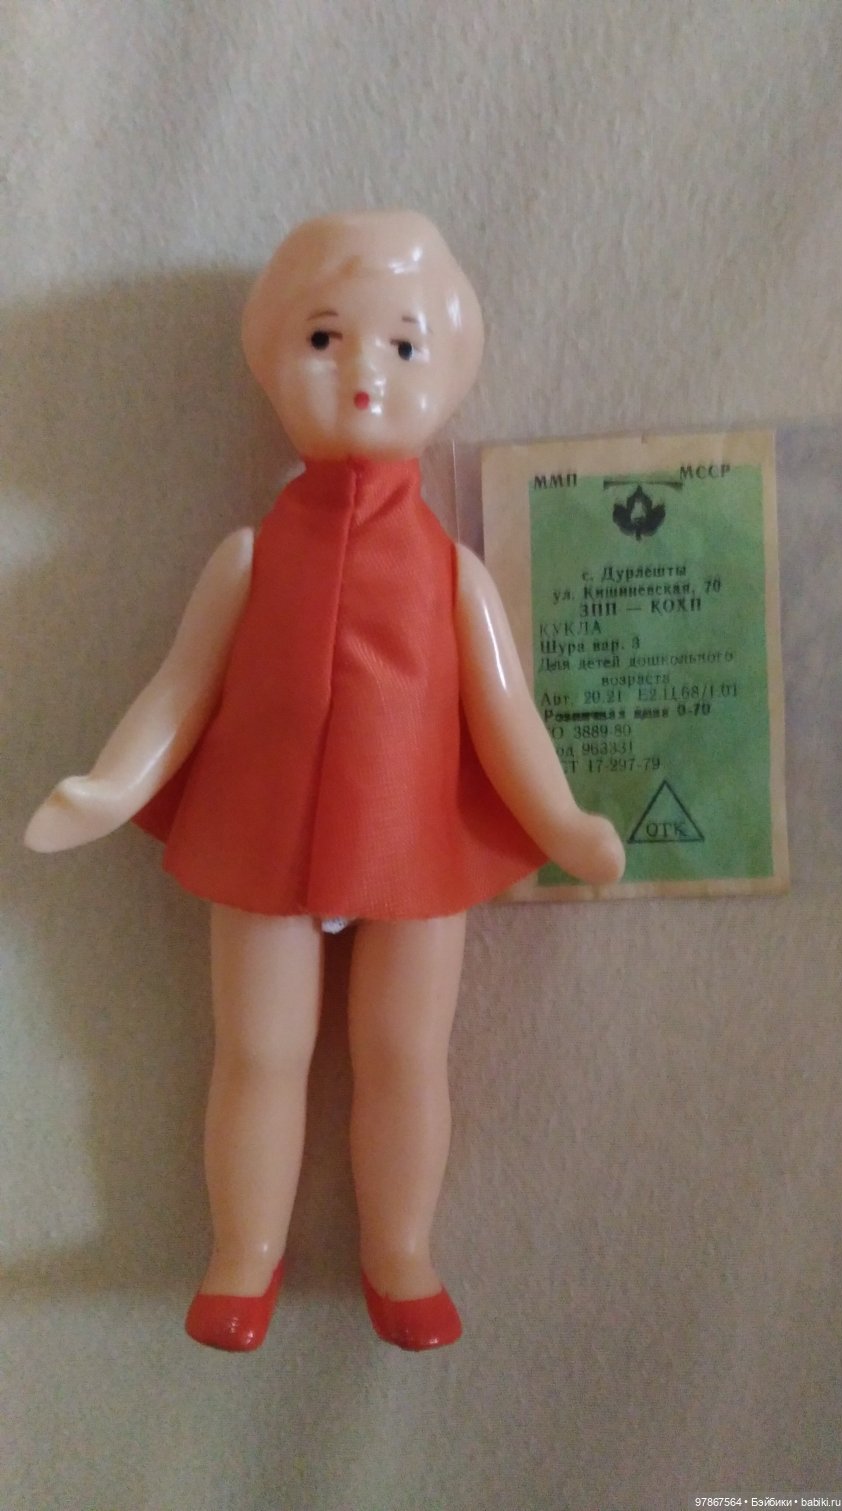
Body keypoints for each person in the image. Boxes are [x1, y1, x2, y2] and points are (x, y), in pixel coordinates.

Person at [25, 211, 625, 1352]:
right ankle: (242, 1252)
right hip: (262, 838)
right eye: (322, 337)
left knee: (405, 1055)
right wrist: (108, 785)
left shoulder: (453, 570)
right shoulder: (247, 558)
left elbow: (506, 713)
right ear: (270, 363)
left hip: (414, 838)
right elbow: (180, 687)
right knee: (256, 1052)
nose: (362, 371)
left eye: (402, 345)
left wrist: (563, 818)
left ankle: (401, 1253)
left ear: (449, 374)